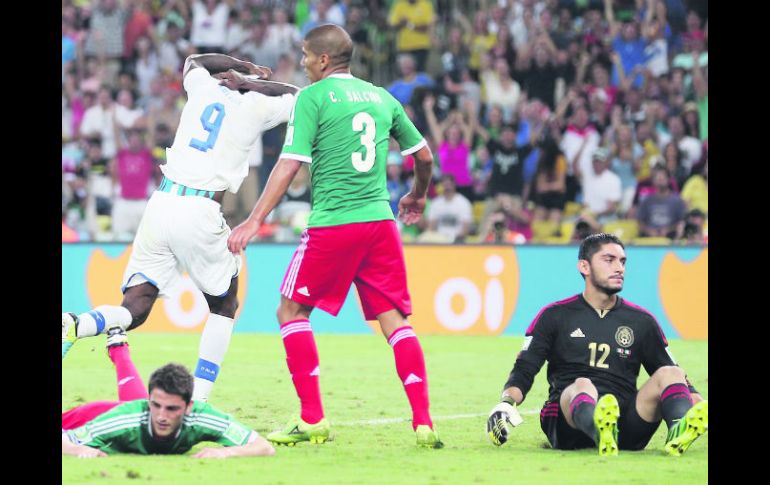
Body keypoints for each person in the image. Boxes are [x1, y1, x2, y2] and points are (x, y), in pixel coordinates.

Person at [227, 24, 442, 449]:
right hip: (380, 224)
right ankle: (423, 422)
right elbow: (424, 156)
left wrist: (253, 220)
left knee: (290, 312)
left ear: (324, 59)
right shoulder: (381, 97)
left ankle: (312, 419)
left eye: (307, 55)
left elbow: (289, 164)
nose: (304, 63)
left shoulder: (314, 97)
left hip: (335, 223)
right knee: (395, 320)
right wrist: (416, 197)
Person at [62, 53, 299, 406]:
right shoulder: (257, 108)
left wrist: (241, 67)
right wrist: (253, 82)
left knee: (136, 308)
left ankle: (73, 323)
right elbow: (299, 95)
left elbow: (194, 60)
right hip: (200, 209)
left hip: (161, 203)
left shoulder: (202, 87)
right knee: (224, 305)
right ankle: (199, 402)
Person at [486, 233, 708, 456]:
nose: (619, 268)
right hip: (567, 423)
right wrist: (506, 403)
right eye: (609, 260)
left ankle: (679, 430)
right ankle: (601, 432)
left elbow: (678, 379)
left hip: (626, 422)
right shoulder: (555, 315)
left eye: (622, 261)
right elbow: (525, 368)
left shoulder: (642, 321)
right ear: (585, 266)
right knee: (583, 384)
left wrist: (697, 405)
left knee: (670, 372)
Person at [62, 333, 275, 457]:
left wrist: (225, 453)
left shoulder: (201, 417)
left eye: (172, 408)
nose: (162, 416)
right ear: (150, 402)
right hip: (98, 414)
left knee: (135, 403)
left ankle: (118, 347)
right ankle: (118, 348)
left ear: (189, 406)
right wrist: (77, 450)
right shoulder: (121, 420)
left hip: (134, 410)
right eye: (156, 405)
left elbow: (264, 447)